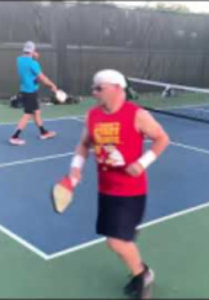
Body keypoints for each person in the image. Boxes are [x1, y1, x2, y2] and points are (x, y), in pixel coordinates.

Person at [68, 69, 170, 298]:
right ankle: (137, 268)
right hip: (105, 189)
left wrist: (142, 163)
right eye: (93, 87)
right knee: (116, 239)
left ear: (116, 88)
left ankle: (143, 275)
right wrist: (76, 166)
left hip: (130, 191)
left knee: (116, 241)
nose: (93, 92)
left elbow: (162, 138)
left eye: (98, 88)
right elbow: (84, 144)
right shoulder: (92, 115)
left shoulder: (137, 115)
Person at [9, 41, 58, 145]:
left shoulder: (19, 60)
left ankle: (43, 132)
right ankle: (14, 137)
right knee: (27, 114)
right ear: (33, 51)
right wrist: (52, 85)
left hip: (25, 90)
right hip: (30, 92)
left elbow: (29, 71)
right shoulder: (33, 63)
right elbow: (42, 78)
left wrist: (33, 57)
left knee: (37, 112)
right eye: (34, 50)